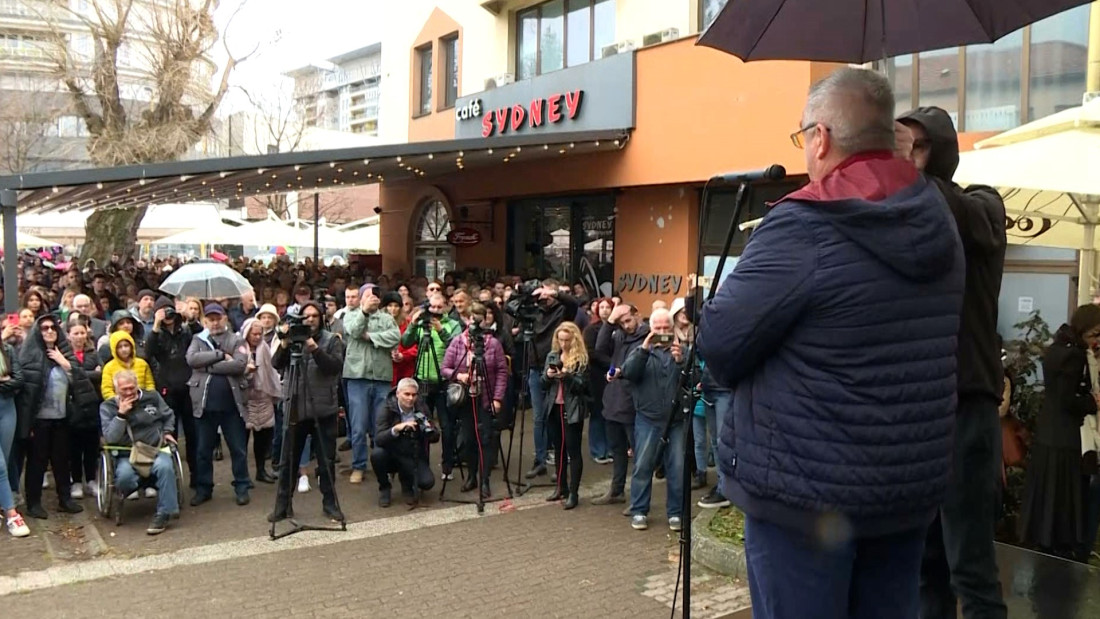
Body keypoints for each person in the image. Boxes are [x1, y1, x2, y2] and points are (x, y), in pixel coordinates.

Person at [697, 67, 965, 618]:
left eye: (803, 138)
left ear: (820, 137)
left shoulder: (804, 224)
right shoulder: (938, 217)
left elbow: (721, 343)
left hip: (805, 496)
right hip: (904, 492)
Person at [896, 106, 1009, 618]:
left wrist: (902, 168)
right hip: (919, 409)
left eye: (916, 146)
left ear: (940, 152)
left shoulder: (980, 205)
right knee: (925, 564)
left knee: (971, 566)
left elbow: (967, 219)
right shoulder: (910, 217)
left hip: (967, 404)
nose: (905, 159)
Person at [1018, 305, 1100, 558]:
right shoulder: (1074, 356)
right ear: (1082, 330)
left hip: (1048, 437)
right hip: (1065, 440)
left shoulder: (1056, 350)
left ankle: (1046, 544)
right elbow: (1067, 399)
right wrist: (1093, 402)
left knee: (1048, 500)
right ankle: (1063, 549)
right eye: (1095, 334)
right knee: (1064, 500)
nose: (1097, 341)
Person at [270, 301, 346, 523]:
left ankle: (330, 505)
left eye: (314, 316)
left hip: (323, 410)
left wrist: (314, 348)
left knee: (326, 461)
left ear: (321, 318)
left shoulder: (332, 340)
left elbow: (333, 368)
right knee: (288, 461)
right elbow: (276, 364)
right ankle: (282, 507)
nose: (310, 320)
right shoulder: (291, 340)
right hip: (295, 407)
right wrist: (284, 343)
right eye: (306, 316)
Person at [621, 308, 686, 531]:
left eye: (665, 328)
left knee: (677, 468)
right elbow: (628, 373)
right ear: (650, 328)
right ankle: (639, 510)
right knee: (643, 465)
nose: (661, 332)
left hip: (675, 420)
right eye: (657, 328)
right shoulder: (640, 350)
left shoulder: (682, 351)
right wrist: (644, 348)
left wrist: (680, 361)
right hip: (647, 419)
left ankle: (676, 513)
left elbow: (696, 379)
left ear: (672, 328)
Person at [18, 314, 88, 518]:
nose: (49, 331)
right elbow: (25, 393)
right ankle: (33, 503)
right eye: (44, 328)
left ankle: (65, 499)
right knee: (37, 462)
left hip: (62, 417)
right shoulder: (29, 354)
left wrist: (64, 363)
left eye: (53, 328)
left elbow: (80, 379)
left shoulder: (64, 353)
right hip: (39, 419)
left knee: (61, 460)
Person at [186, 303, 251, 507]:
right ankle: (204, 488)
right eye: (211, 319)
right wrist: (221, 355)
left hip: (232, 406)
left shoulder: (236, 339)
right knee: (203, 450)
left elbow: (240, 364)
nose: (215, 322)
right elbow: (191, 359)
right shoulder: (198, 339)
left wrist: (207, 367)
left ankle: (242, 486)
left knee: (238, 449)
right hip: (204, 406)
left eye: (218, 318)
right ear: (205, 321)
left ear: (225, 319)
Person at [99, 370, 179, 535]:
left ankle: (164, 513)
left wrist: (168, 431)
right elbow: (110, 437)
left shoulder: (152, 397)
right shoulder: (107, 407)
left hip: (154, 448)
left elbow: (168, 415)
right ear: (116, 390)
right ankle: (133, 489)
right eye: (124, 390)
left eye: (131, 388)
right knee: (124, 477)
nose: (129, 393)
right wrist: (121, 415)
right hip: (126, 453)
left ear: (137, 385)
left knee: (165, 467)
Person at [441, 302, 508, 498]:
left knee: (485, 439)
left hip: (485, 397)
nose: (474, 323)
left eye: (478, 319)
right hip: (465, 399)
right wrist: (459, 376)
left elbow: (502, 371)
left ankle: (485, 480)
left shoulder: (493, 344)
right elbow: (445, 368)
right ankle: (471, 476)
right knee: (469, 439)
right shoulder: (457, 341)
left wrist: (497, 398)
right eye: (471, 319)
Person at [342, 284, 400, 484]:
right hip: (357, 378)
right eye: (366, 295)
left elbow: (395, 337)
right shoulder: (351, 314)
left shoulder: (386, 318)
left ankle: (380, 464)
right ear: (360, 298)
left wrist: (372, 337)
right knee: (358, 426)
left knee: (380, 426)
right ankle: (358, 465)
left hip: (382, 378)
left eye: (374, 295)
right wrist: (364, 313)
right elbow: (353, 331)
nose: (371, 299)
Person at [593, 303, 648, 507]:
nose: (626, 326)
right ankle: (616, 491)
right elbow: (599, 349)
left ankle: (638, 499)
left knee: (639, 456)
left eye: (628, 320)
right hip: (613, 402)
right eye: (621, 322)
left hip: (633, 404)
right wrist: (609, 322)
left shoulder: (646, 338)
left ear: (637, 316)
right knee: (617, 451)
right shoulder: (618, 336)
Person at [402, 293, 462, 478]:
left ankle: (447, 466)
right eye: (432, 307)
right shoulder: (422, 323)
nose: (435, 311)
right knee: (422, 425)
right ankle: (423, 465)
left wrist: (441, 329)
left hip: (443, 381)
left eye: (439, 307)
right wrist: (413, 323)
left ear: (445, 307)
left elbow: (457, 346)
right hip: (422, 380)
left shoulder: (452, 324)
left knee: (447, 426)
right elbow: (405, 342)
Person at [525, 280, 579, 480]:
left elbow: (574, 303)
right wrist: (531, 294)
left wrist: (554, 294)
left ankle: (560, 463)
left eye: (546, 294)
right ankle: (540, 461)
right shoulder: (533, 309)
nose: (544, 298)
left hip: (557, 365)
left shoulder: (562, 310)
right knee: (539, 417)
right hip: (535, 368)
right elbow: (511, 309)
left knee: (557, 416)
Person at [145, 296, 196, 488]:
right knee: (170, 434)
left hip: (187, 388)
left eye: (169, 310)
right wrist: (156, 325)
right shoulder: (156, 334)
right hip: (167, 390)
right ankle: (171, 479)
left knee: (193, 435)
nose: (168, 315)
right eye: (163, 311)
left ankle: (195, 477)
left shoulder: (185, 332)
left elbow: (199, 336)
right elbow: (148, 353)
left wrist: (189, 318)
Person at [540, 322, 590, 510]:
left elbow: (583, 386)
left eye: (567, 340)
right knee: (558, 448)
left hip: (572, 408)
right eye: (560, 340)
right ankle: (561, 487)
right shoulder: (552, 356)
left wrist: (567, 376)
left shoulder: (581, 359)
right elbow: (543, 384)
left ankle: (574, 492)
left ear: (574, 339)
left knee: (573, 450)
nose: (563, 344)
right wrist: (549, 375)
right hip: (554, 407)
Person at [371, 378, 439, 508]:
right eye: (406, 394)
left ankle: (406, 484)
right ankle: (384, 487)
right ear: (398, 394)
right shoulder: (386, 407)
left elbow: (435, 437)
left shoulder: (421, 407)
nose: (410, 398)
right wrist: (396, 429)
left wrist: (427, 429)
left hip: (411, 451)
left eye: (414, 395)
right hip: (391, 450)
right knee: (377, 455)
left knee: (427, 482)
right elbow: (379, 438)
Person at [65, 318, 103, 501]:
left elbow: (100, 375)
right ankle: (76, 481)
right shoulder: (63, 354)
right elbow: (66, 378)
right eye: (76, 333)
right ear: (68, 335)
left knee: (91, 445)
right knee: (73, 446)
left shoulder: (93, 354)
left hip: (91, 405)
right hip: (72, 406)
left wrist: (76, 373)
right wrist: (88, 375)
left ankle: (91, 479)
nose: (79, 337)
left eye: (82, 333)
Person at [240, 318, 280, 484]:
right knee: (242, 439)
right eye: (253, 334)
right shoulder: (239, 348)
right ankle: (243, 475)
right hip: (245, 398)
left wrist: (275, 392)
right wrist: (246, 370)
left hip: (263, 396)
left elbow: (271, 371)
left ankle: (261, 470)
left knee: (263, 438)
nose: (257, 337)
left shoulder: (264, 348)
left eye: (259, 334)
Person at [0, 331, 29, 537]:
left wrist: (6, 382)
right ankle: (12, 513)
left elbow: (19, 380)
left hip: (7, 409)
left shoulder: (7, 350)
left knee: (7, 458)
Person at [583, 298, 613, 465]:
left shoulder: (616, 328)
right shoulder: (590, 329)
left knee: (610, 413)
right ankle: (597, 450)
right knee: (597, 413)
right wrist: (611, 363)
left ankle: (610, 448)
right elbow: (591, 352)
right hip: (596, 375)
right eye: (601, 307)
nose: (604, 310)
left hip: (613, 376)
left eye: (608, 307)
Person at [100, 329, 155, 400]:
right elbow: (107, 390)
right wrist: (118, 402)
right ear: (114, 349)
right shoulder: (108, 367)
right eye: (119, 347)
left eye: (126, 346)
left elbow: (150, 385)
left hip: (142, 401)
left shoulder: (142, 364)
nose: (124, 349)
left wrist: (147, 398)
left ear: (131, 346)